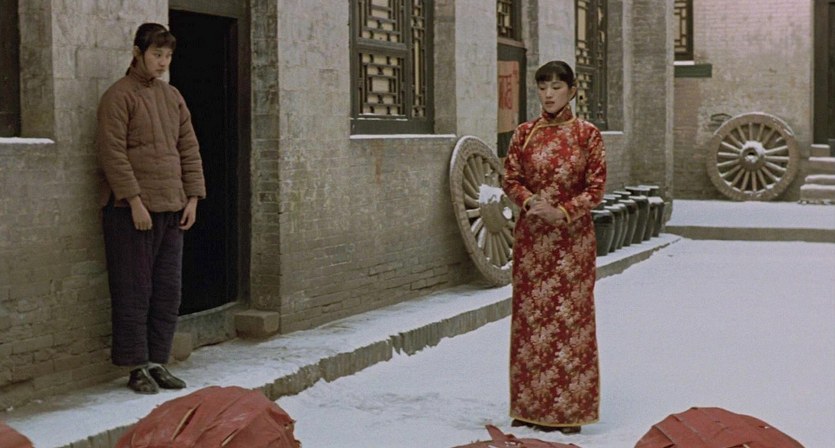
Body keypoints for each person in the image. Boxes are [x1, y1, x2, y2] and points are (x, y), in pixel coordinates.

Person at [96, 23, 205, 394]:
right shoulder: (118, 97)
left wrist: (192, 198)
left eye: (168, 55)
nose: (163, 62)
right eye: (157, 54)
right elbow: (112, 153)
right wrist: (133, 201)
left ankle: (158, 361)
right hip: (130, 212)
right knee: (133, 290)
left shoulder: (172, 96)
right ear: (137, 53)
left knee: (167, 290)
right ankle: (136, 367)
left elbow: (188, 148)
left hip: (171, 208)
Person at [502, 60, 606, 433]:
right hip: (532, 243)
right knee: (531, 322)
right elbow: (510, 178)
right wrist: (530, 202)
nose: (548, 94)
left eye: (556, 87)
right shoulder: (524, 133)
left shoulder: (587, 135)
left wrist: (562, 211)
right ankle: (529, 406)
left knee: (570, 321)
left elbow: (596, 188)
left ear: (572, 91)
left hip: (572, 243)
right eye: (542, 87)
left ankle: (569, 412)